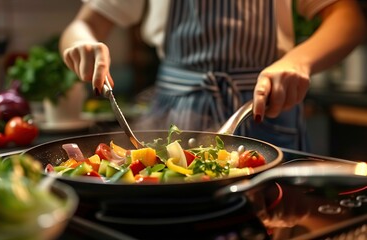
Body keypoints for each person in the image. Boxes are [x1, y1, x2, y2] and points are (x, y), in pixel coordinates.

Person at [59, 0, 366, 151]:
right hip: (173, 117)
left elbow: (348, 18)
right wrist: (80, 44)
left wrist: (298, 62)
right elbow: (84, 24)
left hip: (265, 108)